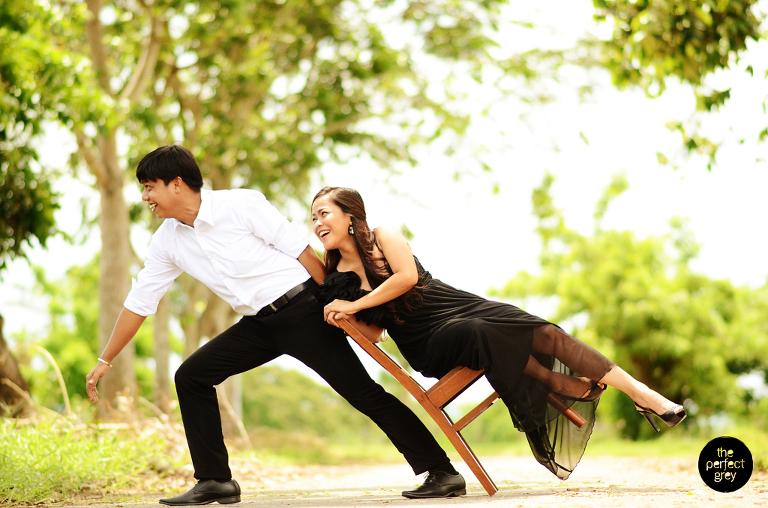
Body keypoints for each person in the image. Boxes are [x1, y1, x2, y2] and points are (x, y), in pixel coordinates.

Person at [85, 146, 467, 505]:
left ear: (177, 184)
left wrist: (333, 306)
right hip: (257, 325)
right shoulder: (167, 241)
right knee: (192, 376)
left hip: (302, 310)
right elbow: (140, 301)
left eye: (149, 187)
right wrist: (106, 359)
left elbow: (303, 253)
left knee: (362, 394)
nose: (145, 197)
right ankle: (215, 479)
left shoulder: (241, 205)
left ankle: (442, 471)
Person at [310, 186, 687, 480]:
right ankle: (552, 380)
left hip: (455, 305)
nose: (317, 223)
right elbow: (375, 336)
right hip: (426, 341)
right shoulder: (338, 277)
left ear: (350, 215)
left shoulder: (383, 235)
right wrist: (344, 317)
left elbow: (406, 278)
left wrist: (354, 305)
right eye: (312, 217)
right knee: (480, 330)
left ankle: (644, 395)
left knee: (535, 328)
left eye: (323, 213)